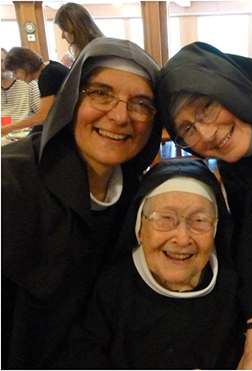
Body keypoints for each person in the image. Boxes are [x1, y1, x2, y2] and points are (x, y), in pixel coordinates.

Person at [1, 37, 161, 369]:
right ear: (72, 100)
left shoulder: (139, 199)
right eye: (101, 93)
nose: (119, 116)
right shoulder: (11, 184)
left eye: (141, 103)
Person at [156, 41, 252, 369]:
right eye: (188, 129)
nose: (206, 134)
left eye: (206, 106)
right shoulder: (237, 162)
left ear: (230, 86)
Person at [54, 158, 249, 369]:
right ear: (139, 228)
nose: (182, 239)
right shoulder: (111, 289)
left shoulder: (237, 288)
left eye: (199, 221)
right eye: (164, 218)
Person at [2, 47, 69, 136]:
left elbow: (43, 115)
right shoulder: (51, 67)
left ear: (25, 66)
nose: (15, 77)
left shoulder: (47, 76)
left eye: (15, 72)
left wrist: (9, 128)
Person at [1, 47, 40, 122]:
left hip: (24, 130)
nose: (1, 66)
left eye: (2, 61)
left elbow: (41, 113)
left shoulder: (28, 84)